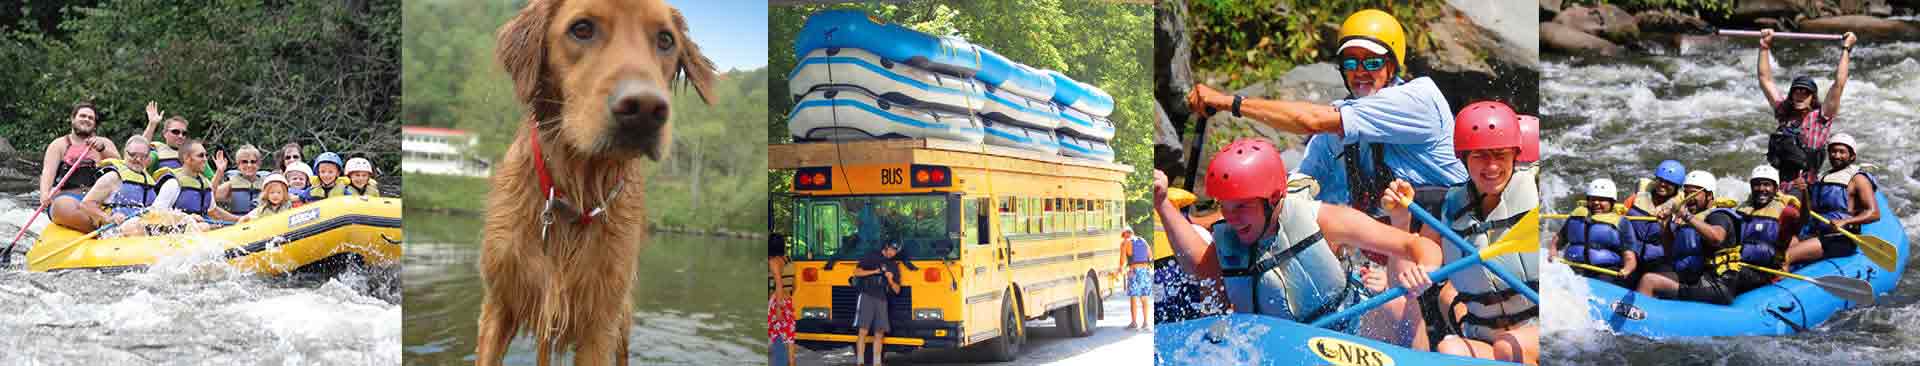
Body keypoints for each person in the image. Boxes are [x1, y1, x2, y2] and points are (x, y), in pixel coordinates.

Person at [1153, 137, 1442, 349]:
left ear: (1273, 199)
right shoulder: (1230, 237)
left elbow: (1415, 246)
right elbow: (1199, 268)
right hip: (1286, 348)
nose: (1231, 217)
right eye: (1225, 206)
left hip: (1352, 338)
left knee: (1401, 304)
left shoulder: (1324, 220)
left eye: (1241, 207)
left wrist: (1425, 269)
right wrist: (1163, 204)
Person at [1187, 9, 1465, 221]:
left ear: (1392, 66)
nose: (1360, 71)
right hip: (1392, 249)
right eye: (1351, 62)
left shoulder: (1417, 99)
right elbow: (1297, 185)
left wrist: (1229, 102)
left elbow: (1311, 120)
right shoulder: (1342, 122)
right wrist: (1220, 221)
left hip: (1450, 233)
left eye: (1372, 61)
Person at [1387, 101, 1538, 364]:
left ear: (1515, 154)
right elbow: (1424, 253)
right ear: (1464, 157)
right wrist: (1400, 219)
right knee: (1449, 350)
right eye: (1480, 155)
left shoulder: (1537, 192)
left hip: (1539, 329)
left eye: (1500, 154)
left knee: (1507, 347)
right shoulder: (1450, 208)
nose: (1491, 166)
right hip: (1485, 336)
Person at [1757, 30, 1856, 197]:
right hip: (1777, 184)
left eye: (1805, 93)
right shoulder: (1783, 112)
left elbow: (1839, 83)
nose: (1800, 95)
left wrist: (1846, 49)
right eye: (1797, 91)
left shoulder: (1821, 117)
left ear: (1812, 97)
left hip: (1804, 186)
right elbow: (1764, 79)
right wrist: (1764, 47)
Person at [1638, 171, 1740, 302]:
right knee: (1651, 272)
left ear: (1709, 195)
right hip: (1694, 278)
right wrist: (1665, 227)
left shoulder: (1719, 216)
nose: (1687, 198)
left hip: (1717, 284)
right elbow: (1671, 254)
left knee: (1649, 281)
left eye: (1693, 193)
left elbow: (1717, 238)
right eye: (1685, 193)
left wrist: (1685, 215)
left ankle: (1638, 319)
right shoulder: (1694, 218)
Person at [1784, 133, 1879, 267]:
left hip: (1840, 238)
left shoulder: (1858, 179)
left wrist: (1846, 221)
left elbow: (1874, 213)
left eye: (1842, 152)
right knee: (1777, 250)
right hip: (1814, 233)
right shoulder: (1823, 177)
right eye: (1833, 151)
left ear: (1852, 156)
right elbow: (1808, 213)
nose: (1836, 155)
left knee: (1786, 256)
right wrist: (1804, 190)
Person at [43, 102, 122, 231]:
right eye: (82, 116)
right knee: (62, 207)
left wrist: (102, 149)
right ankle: (105, 227)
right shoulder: (59, 144)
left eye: (91, 118)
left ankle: (104, 222)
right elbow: (48, 172)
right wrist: (44, 194)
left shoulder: (105, 143)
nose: (86, 119)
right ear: (73, 119)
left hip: (98, 199)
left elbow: (121, 167)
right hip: (69, 198)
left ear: (95, 124)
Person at [1721, 165, 1797, 294]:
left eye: (1767, 185)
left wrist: (1804, 194)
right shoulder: (1742, 209)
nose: (1761, 189)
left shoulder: (1785, 211)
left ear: (1776, 188)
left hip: (1767, 272)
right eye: (1756, 185)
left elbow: (1800, 222)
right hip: (1742, 265)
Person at [1558, 178, 1637, 285]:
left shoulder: (1622, 223)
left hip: (1605, 271)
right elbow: (1559, 239)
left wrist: (1627, 270)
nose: (1596, 203)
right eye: (1592, 199)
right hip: (1575, 267)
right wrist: (1552, 254)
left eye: (1602, 199)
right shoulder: (1576, 216)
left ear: (1612, 202)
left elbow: (1630, 256)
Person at [1619, 160, 1684, 283]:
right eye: (1660, 180)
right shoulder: (1636, 198)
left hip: (1658, 261)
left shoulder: (1680, 208)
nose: (1662, 184)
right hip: (1631, 256)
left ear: (1677, 186)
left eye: (1669, 182)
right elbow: (1620, 217)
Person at [152, 140, 243, 223]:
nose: (205, 159)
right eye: (200, 155)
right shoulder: (173, 183)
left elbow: (214, 212)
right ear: (187, 158)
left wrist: (240, 219)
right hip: (178, 233)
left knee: (209, 226)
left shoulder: (205, 182)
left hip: (200, 230)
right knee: (204, 227)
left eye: (205, 155)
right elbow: (156, 213)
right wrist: (186, 218)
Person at [851, 241, 903, 366]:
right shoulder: (871, 256)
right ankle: (860, 362)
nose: (892, 253)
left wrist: (890, 280)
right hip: (867, 296)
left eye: (895, 251)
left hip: (882, 299)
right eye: (891, 249)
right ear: (886, 247)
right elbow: (856, 272)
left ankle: (877, 362)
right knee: (863, 330)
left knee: (879, 332)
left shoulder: (894, 266)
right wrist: (874, 271)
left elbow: (897, 290)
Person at [767, 233, 797, 366]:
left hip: (777, 302)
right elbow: (795, 283)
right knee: (789, 338)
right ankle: (791, 363)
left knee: (776, 337)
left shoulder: (773, 261)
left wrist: (778, 307)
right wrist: (788, 295)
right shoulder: (789, 260)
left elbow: (778, 284)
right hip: (788, 300)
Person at [1118, 227, 1153, 330]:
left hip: (1134, 271)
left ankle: (1134, 323)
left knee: (1134, 297)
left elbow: (1122, 261)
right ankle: (1146, 323)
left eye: (1123, 236)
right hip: (1145, 271)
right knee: (1144, 297)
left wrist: (1121, 269)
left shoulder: (1126, 243)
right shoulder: (1143, 240)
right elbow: (1150, 256)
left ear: (1125, 234)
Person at [215, 145, 266, 214]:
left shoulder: (267, 183)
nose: (249, 165)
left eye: (253, 162)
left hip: (262, 222)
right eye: (244, 162)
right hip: (239, 222)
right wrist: (219, 171)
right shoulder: (231, 184)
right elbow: (209, 197)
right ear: (238, 165)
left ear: (259, 164)